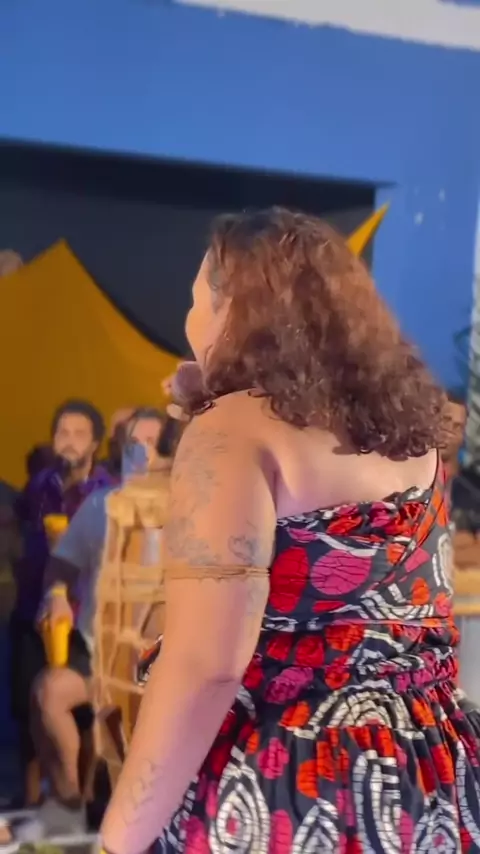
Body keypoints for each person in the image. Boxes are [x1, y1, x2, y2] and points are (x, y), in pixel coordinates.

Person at [99, 207, 480, 854]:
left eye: (196, 301)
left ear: (234, 311)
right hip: (430, 780)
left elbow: (207, 666)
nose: (189, 321)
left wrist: (119, 838)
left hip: (293, 785)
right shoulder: (411, 434)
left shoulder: (230, 431)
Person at [29, 407, 168, 835]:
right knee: (48, 693)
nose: (141, 453)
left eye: (152, 443)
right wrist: (57, 597)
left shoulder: (194, 510)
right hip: (98, 653)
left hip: (160, 664)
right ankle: (69, 803)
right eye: (133, 444)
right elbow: (61, 567)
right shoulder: (99, 506)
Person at [9, 399, 114, 808]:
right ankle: (36, 804)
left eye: (78, 434)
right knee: (27, 709)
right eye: (62, 433)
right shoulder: (40, 485)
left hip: (82, 621)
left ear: (96, 443)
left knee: (83, 714)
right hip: (34, 610)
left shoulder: (105, 494)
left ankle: (83, 801)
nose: (69, 442)